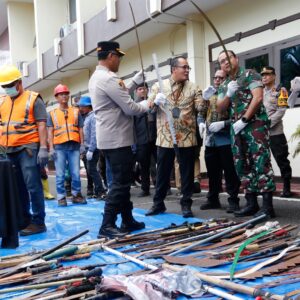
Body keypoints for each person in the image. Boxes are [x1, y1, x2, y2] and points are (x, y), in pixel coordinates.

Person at [89, 41, 149, 238]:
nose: (120, 61)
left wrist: (133, 81)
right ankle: (107, 225)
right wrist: (149, 103)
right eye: (118, 57)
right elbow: (130, 107)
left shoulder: (99, 76)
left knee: (123, 179)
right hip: (117, 139)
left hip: (111, 138)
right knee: (120, 183)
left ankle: (127, 219)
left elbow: (117, 94)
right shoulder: (108, 79)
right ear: (111, 56)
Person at [217, 50, 276, 218]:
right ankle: (251, 203)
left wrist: (244, 119)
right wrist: (228, 93)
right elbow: (220, 108)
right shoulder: (225, 83)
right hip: (236, 128)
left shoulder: (250, 74)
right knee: (241, 163)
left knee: (260, 161)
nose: (225, 62)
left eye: (228, 58)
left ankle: (267, 206)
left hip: (254, 124)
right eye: (221, 61)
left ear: (236, 59)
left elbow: (257, 98)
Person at [145, 56, 203, 218]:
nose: (187, 70)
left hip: (187, 137)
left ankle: (186, 204)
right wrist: (156, 102)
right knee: (162, 172)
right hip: (165, 137)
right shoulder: (159, 86)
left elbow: (200, 108)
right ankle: (158, 204)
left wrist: (205, 99)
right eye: (184, 67)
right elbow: (149, 109)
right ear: (174, 69)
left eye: (188, 68)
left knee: (186, 173)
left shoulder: (193, 87)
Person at [0, 65, 48, 235]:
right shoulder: (3, 102)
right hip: (10, 150)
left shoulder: (33, 99)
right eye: (4, 86)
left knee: (33, 186)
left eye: (10, 85)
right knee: (18, 187)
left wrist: (43, 148)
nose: (7, 89)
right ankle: (24, 219)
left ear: (19, 83)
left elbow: (42, 124)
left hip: (28, 149)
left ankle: (38, 222)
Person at [198, 69, 240, 212]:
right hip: (210, 141)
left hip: (226, 140)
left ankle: (233, 201)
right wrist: (201, 123)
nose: (217, 80)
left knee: (230, 172)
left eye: (220, 78)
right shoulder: (209, 94)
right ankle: (213, 199)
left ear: (227, 79)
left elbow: (238, 117)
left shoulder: (233, 95)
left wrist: (224, 124)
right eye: (215, 77)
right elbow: (201, 112)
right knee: (213, 173)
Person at [47, 84, 86, 206]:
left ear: (68, 96)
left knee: (75, 173)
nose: (64, 96)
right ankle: (61, 197)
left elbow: (80, 129)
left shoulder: (76, 112)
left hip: (74, 147)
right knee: (60, 174)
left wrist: (82, 144)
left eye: (66, 94)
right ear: (56, 97)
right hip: (59, 148)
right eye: (61, 94)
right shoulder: (52, 114)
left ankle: (76, 195)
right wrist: (51, 148)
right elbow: (50, 132)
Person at [261, 66, 292, 197]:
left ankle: (286, 186)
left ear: (274, 76)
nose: (264, 77)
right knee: (262, 160)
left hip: (275, 133)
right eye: (263, 75)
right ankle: (267, 186)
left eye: (267, 74)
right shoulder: (259, 92)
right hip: (261, 134)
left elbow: (281, 111)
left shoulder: (281, 90)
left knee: (281, 160)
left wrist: (267, 124)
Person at [78, 95, 107, 200]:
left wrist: (91, 149)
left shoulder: (93, 117)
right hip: (88, 148)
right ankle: (97, 191)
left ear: (88, 106)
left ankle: (101, 191)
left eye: (82, 106)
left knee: (92, 170)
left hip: (92, 149)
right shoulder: (87, 117)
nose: (80, 108)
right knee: (91, 170)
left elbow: (94, 134)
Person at [133, 82, 157, 197]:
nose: (142, 91)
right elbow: (132, 125)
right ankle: (145, 188)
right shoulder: (133, 106)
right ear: (136, 91)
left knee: (159, 164)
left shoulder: (153, 103)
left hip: (155, 138)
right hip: (141, 140)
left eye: (144, 88)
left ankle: (163, 187)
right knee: (144, 166)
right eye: (140, 89)